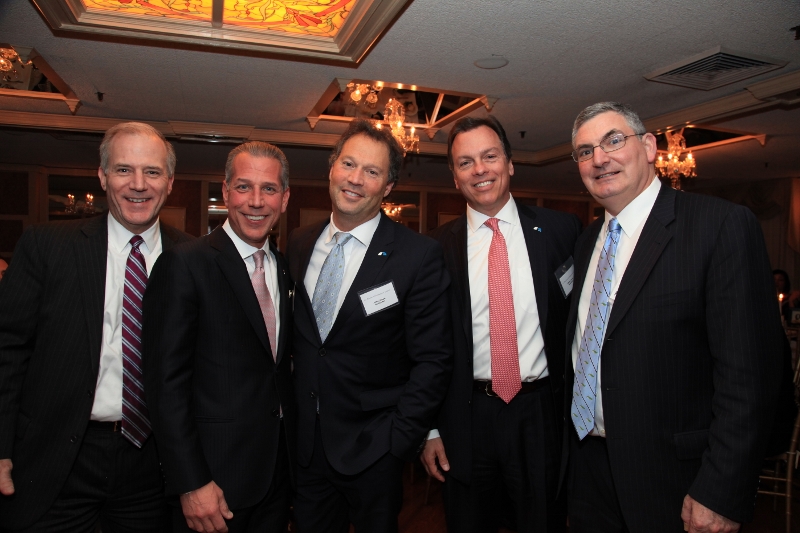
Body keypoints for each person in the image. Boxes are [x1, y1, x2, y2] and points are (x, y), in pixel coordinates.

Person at [563, 102, 785, 533]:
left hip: (677, 479)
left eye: (613, 141)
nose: (599, 159)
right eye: (585, 151)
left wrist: (720, 490)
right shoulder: (587, 241)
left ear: (649, 147)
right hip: (588, 470)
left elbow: (750, 377)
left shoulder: (719, 226)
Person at [0, 121, 191, 532]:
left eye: (152, 172)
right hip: (56, 458)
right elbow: (7, 351)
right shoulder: (47, 246)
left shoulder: (194, 258)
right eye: (123, 169)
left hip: (152, 465)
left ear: (170, 182)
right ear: (102, 176)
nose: (138, 184)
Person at [287, 119, 453, 532]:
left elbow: (433, 359)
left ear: (388, 186)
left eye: (372, 171)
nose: (355, 179)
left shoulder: (417, 255)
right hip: (305, 447)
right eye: (348, 164)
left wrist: (400, 440)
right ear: (332, 168)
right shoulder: (299, 243)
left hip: (374, 449)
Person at [421, 116, 580, 533]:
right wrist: (430, 429)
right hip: (466, 417)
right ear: (454, 176)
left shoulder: (561, 231)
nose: (480, 170)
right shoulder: (433, 249)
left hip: (541, 412)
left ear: (510, 163)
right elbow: (423, 347)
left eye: (490, 156)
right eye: (466, 162)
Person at [143, 141, 294, 533]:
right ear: (226, 192)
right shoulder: (185, 263)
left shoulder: (283, 267)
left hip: (277, 479)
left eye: (269, 189)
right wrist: (191, 481)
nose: (256, 201)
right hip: (213, 483)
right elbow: (165, 386)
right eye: (244, 187)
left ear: (284, 199)